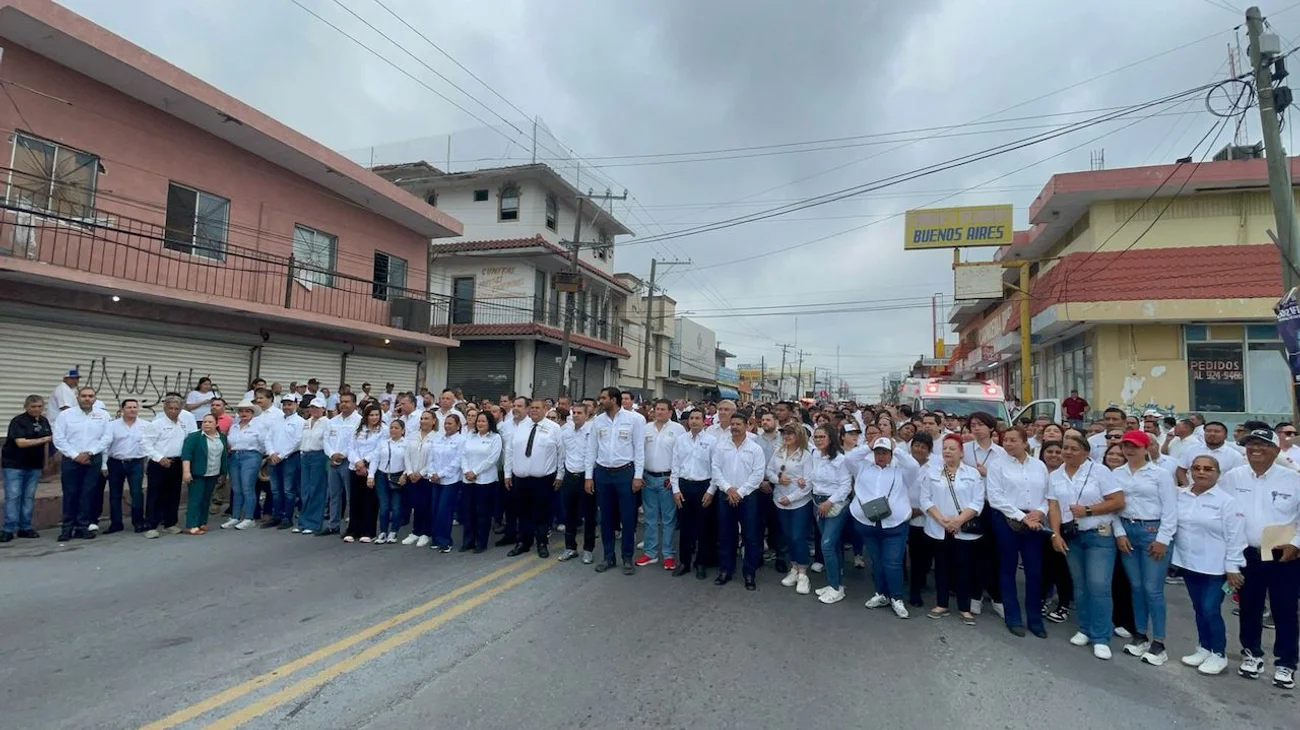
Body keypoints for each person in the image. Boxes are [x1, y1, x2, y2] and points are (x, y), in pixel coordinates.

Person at [1225, 426, 1300, 689]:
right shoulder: (1233, 477)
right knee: (1249, 607)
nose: (1255, 449)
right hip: (1248, 553)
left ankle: (1286, 663)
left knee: (1285, 609)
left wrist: (1296, 543)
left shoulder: (1293, 479)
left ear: (1276, 450)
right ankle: (1252, 654)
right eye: (1250, 444)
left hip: (1283, 553)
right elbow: (1226, 515)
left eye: (1262, 444)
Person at [1049, 433, 1126, 660]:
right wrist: (1055, 534)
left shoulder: (1100, 472)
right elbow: (1053, 507)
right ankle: (1084, 628)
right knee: (1080, 585)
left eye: (1074, 448)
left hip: (1099, 534)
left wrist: (1088, 511)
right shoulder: (1055, 475)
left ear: (1086, 452)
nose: (1068, 452)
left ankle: (1101, 636)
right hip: (1071, 535)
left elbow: (1118, 501)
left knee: (1099, 585)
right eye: (1066, 448)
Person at [1173, 454, 1246, 676]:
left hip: (1216, 567)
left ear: (1218, 474)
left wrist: (1232, 567)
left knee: (1210, 609)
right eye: (1197, 468)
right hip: (1188, 563)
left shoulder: (1227, 502)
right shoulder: (1181, 496)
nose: (1202, 472)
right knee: (1198, 609)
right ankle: (1204, 647)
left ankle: (1219, 654)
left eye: (1208, 469)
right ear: (1190, 472)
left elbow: (1236, 537)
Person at [1112, 429, 1178, 666]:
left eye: (1135, 446)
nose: (1130, 450)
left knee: (1153, 589)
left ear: (1146, 448)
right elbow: (1113, 506)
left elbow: (1171, 509)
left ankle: (1159, 642)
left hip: (1152, 530)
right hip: (1127, 529)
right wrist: (1119, 533)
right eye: (1126, 446)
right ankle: (1140, 635)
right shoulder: (1117, 473)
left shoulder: (1159, 475)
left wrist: (1163, 539)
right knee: (1136, 586)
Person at [845, 436, 921, 618]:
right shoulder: (863, 466)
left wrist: (898, 450)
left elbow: (914, 466)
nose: (880, 456)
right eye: (877, 452)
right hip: (867, 523)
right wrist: (867, 446)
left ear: (891, 454)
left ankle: (896, 597)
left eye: (884, 452)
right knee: (876, 561)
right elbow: (849, 458)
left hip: (894, 524)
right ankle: (881, 594)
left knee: (892, 562)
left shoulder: (900, 471)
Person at [987, 425, 1051, 638]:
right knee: (1007, 569)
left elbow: (1047, 495)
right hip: (1007, 520)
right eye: (1005, 440)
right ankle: (1012, 617)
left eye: (1013, 440)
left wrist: (1039, 513)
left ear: (1025, 442)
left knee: (1035, 571)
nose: (1008, 444)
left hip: (1035, 520)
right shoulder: (997, 466)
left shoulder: (1039, 466)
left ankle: (1035, 619)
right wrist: (1022, 517)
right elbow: (995, 497)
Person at [923, 433, 985, 624]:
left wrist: (957, 521)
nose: (947, 452)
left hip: (963, 529)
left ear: (961, 452)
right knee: (941, 567)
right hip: (938, 527)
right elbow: (925, 499)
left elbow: (977, 502)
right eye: (945, 448)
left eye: (952, 448)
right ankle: (941, 604)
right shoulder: (933, 472)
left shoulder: (972, 474)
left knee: (964, 569)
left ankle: (965, 608)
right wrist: (942, 520)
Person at [586, 387, 646, 576]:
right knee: (606, 518)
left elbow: (639, 450)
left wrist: (638, 476)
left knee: (628, 517)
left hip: (625, 473)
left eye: (603, 398)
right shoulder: (598, 421)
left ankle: (627, 558)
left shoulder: (635, 419)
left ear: (614, 399)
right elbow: (591, 450)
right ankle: (608, 557)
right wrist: (589, 476)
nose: (600, 401)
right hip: (602, 474)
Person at [711, 411, 767, 590]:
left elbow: (758, 474)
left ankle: (749, 572)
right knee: (726, 535)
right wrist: (728, 488)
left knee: (750, 536)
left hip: (748, 497)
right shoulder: (721, 446)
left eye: (738, 424)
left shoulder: (755, 448)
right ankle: (726, 570)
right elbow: (715, 469)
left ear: (747, 426)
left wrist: (740, 492)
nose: (734, 427)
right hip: (725, 495)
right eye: (732, 424)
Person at [503, 398, 564, 559]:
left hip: (543, 479)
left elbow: (561, 453)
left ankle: (542, 543)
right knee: (522, 512)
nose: (534, 411)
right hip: (521, 478)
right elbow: (510, 451)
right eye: (532, 408)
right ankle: (523, 542)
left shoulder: (554, 428)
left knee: (542, 513)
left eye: (538, 408)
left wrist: (560, 474)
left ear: (545, 409)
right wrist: (508, 473)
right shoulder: (521, 428)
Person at [52, 386, 110, 542]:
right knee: (70, 494)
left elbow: (106, 437)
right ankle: (67, 529)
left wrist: (90, 452)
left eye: (91, 396)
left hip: (93, 458)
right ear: (77, 398)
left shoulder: (103, 415)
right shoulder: (65, 415)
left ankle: (82, 527)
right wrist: (75, 455)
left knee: (87, 493)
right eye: (84, 396)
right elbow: (58, 438)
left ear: (95, 398)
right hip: (71, 459)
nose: (87, 399)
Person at [672, 409, 718, 580]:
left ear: (704, 421)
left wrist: (711, 491)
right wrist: (676, 490)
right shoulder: (680, 440)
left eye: (698, 418)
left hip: (703, 486)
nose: (694, 421)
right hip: (684, 485)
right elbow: (675, 466)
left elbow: (716, 468)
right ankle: (684, 562)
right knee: (685, 527)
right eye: (691, 418)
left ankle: (701, 563)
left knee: (704, 528)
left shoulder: (712, 441)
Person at [639, 399, 685, 570]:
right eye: (656, 409)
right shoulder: (645, 429)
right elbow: (639, 452)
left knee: (668, 519)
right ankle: (650, 553)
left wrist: (674, 477)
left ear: (670, 412)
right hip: (647, 478)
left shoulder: (678, 430)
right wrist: (639, 474)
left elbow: (681, 455)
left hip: (667, 479)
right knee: (650, 519)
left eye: (663, 409)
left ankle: (668, 554)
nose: (659, 412)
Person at [769, 423, 814, 594]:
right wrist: (778, 479)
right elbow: (769, 471)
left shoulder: (806, 456)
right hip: (779, 500)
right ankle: (794, 568)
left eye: (790, 434)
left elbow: (808, 482)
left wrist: (791, 497)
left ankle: (803, 573)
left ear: (798, 436)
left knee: (797, 537)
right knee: (788, 537)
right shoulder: (778, 452)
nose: (787, 436)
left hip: (799, 502)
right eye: (784, 433)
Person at [2, 395, 52, 542]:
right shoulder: (18, 421)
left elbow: (46, 443)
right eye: (33, 407)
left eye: (39, 407)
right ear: (26, 407)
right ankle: (8, 529)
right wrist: (45, 439)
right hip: (14, 465)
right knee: (13, 496)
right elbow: (21, 443)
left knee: (28, 497)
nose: (36, 409)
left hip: (34, 465)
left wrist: (46, 463)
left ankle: (25, 527)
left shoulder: (43, 421)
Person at [558, 404, 596, 563]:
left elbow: (592, 456)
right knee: (569, 514)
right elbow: (562, 455)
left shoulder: (592, 432)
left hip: (586, 477)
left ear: (587, 415)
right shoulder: (566, 432)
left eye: (580, 413)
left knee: (589, 515)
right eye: (574, 413)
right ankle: (570, 547)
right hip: (569, 476)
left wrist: (589, 477)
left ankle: (588, 549)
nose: (576, 415)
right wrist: (560, 475)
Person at [461, 411, 503, 553]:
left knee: (482, 514)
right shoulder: (470, 436)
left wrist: (475, 472)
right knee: (468, 512)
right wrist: (467, 470)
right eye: (478, 421)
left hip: (485, 481)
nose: (480, 424)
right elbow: (463, 455)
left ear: (490, 423)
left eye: (483, 421)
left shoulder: (495, 438)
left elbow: (492, 459)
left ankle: (481, 542)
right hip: (468, 480)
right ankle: (468, 541)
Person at [345, 404, 385, 543]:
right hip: (355, 468)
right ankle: (353, 530)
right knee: (355, 499)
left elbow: (378, 450)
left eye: (377, 415)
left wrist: (365, 461)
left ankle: (368, 530)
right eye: (371, 415)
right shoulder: (358, 429)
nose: (374, 418)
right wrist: (357, 462)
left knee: (370, 500)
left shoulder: (383, 430)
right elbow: (351, 447)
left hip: (372, 468)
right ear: (366, 416)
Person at [181, 414, 228, 534]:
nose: (206, 424)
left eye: (210, 422)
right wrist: (186, 472)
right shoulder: (194, 437)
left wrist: (224, 471)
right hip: (198, 473)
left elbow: (223, 454)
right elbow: (187, 455)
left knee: (206, 499)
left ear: (216, 424)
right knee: (195, 499)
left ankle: (202, 522)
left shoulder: (221, 437)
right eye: (204, 422)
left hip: (213, 473)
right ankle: (191, 525)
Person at [424, 411, 463, 553]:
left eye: (450, 424)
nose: (447, 426)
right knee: (434, 509)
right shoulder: (439, 439)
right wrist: (432, 473)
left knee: (444, 510)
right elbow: (431, 458)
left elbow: (457, 462)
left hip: (450, 480)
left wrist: (440, 474)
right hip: (435, 480)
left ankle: (445, 541)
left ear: (458, 426)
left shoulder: (461, 441)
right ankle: (436, 538)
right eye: (446, 423)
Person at [322, 392, 360, 536]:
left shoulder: (358, 421)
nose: (344, 404)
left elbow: (354, 443)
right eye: (342, 401)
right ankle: (333, 525)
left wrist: (342, 455)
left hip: (349, 462)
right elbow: (326, 440)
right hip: (333, 461)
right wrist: (332, 455)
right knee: (334, 495)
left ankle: (352, 526)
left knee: (351, 496)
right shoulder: (333, 421)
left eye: (347, 401)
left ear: (355, 404)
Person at [223, 400, 265, 531]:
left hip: (251, 456)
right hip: (235, 456)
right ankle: (235, 516)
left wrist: (260, 456)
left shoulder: (258, 426)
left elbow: (264, 444)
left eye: (247, 411)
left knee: (247, 487)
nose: (244, 413)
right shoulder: (234, 426)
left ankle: (249, 518)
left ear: (252, 413)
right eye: (241, 411)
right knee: (236, 488)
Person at [265, 394, 304, 530]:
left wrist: (281, 455)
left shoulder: (300, 422)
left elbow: (297, 441)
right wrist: (271, 453)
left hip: (290, 458)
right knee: (275, 490)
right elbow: (268, 438)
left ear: (296, 405)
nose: (287, 407)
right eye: (285, 404)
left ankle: (287, 517)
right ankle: (276, 516)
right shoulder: (276, 420)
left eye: (290, 404)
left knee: (288, 490)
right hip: (274, 458)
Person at [400, 410, 438, 547]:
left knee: (426, 505)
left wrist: (421, 473)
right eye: (421, 418)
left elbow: (434, 459)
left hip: (426, 477)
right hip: (412, 475)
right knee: (415, 504)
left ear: (433, 421)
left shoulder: (437, 437)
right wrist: (410, 472)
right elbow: (407, 455)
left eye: (427, 418)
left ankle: (426, 532)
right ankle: (416, 531)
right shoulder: (412, 436)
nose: (423, 421)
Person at [368, 418, 407, 545]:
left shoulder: (406, 444)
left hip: (398, 476)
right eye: (391, 428)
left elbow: (409, 461)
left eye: (396, 428)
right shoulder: (383, 443)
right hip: (382, 476)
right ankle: (383, 531)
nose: (393, 430)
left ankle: (394, 531)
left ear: (403, 430)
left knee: (396, 507)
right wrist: (371, 475)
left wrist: (405, 474)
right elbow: (375, 459)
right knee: (384, 506)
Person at [294, 396, 329, 535]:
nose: (313, 410)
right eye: (312, 407)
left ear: (323, 409)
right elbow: (299, 439)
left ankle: (314, 523)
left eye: (316, 407)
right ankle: (303, 522)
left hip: (319, 456)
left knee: (316, 490)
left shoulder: (327, 423)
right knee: (305, 490)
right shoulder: (306, 422)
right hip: (305, 456)